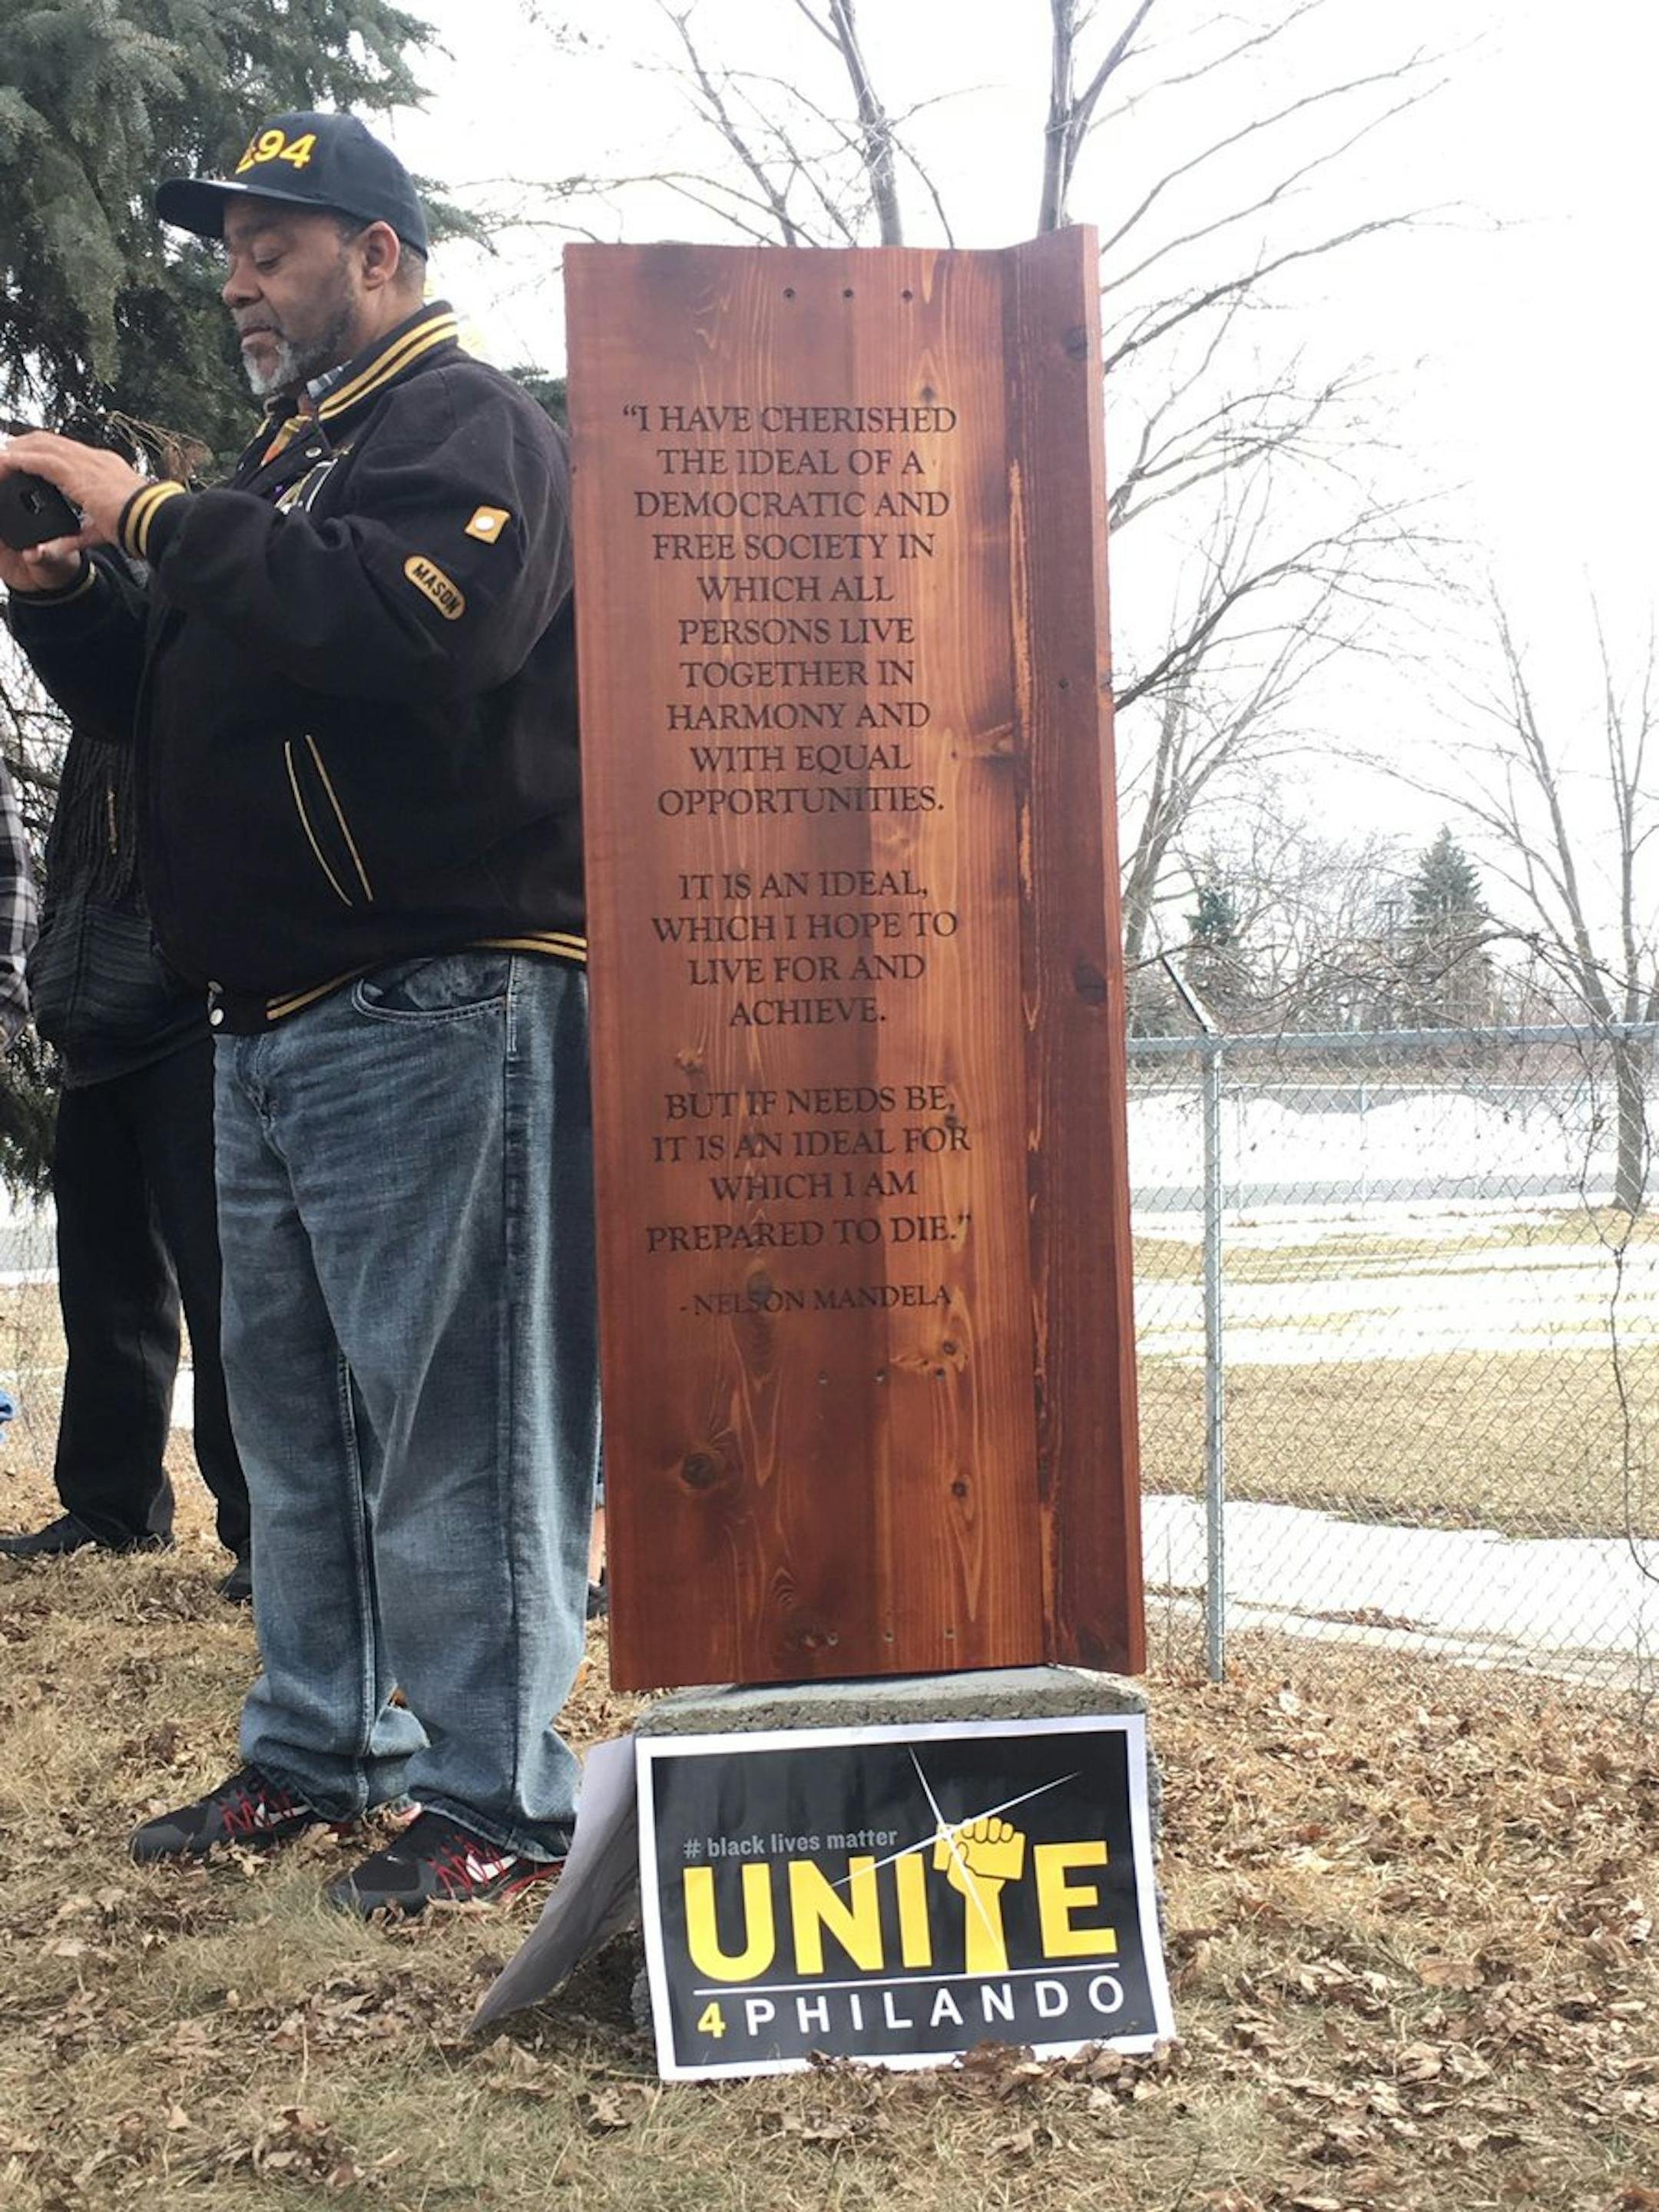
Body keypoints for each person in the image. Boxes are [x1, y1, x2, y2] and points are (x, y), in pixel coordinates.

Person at [0, 111, 598, 1917]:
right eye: (230, 246)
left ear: (380, 257)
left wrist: (158, 509)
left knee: (456, 1412)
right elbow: (173, 706)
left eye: (276, 243)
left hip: (439, 989)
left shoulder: (460, 428)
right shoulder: (296, 456)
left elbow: (419, 626)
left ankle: (497, 1791)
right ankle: (322, 1743)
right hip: (262, 1013)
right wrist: (69, 600)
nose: (240, 275)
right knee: (295, 1412)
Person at [0, 720, 253, 1601]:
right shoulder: (92, 718)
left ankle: (260, 1527)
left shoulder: (191, 681)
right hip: (93, 1020)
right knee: (104, 1282)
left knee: (227, 1289)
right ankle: (111, 1508)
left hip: (189, 1022)